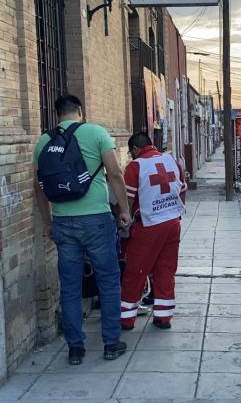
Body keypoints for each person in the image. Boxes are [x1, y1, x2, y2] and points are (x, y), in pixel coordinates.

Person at [32, 94, 131, 365]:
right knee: (108, 281)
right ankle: (111, 343)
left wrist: (48, 222)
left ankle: (75, 348)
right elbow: (115, 174)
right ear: (79, 110)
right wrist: (124, 210)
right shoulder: (96, 133)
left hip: (63, 222)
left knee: (70, 286)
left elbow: (39, 187)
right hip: (97, 219)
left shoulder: (43, 141)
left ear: (57, 114)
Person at [120, 133, 187, 330]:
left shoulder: (135, 166)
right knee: (166, 269)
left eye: (131, 152)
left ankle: (126, 320)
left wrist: (125, 219)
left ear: (135, 149)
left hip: (148, 226)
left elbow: (128, 200)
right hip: (172, 223)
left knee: (136, 271)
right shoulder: (171, 161)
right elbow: (183, 190)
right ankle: (163, 318)